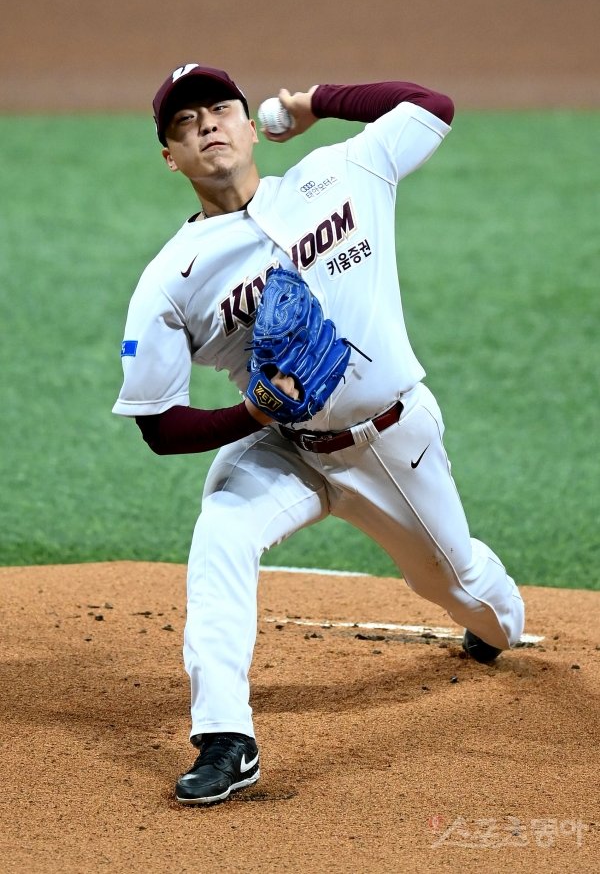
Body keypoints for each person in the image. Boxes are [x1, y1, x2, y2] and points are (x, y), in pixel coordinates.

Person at [113, 63, 525, 805]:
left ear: (249, 126)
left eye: (219, 110)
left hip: (391, 444)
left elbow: (432, 105)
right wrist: (252, 415)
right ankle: (225, 739)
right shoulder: (170, 280)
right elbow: (160, 427)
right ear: (171, 157)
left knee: (458, 587)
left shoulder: (341, 173)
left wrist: (315, 103)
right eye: (184, 123)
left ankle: (495, 622)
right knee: (221, 534)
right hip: (285, 448)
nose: (206, 126)